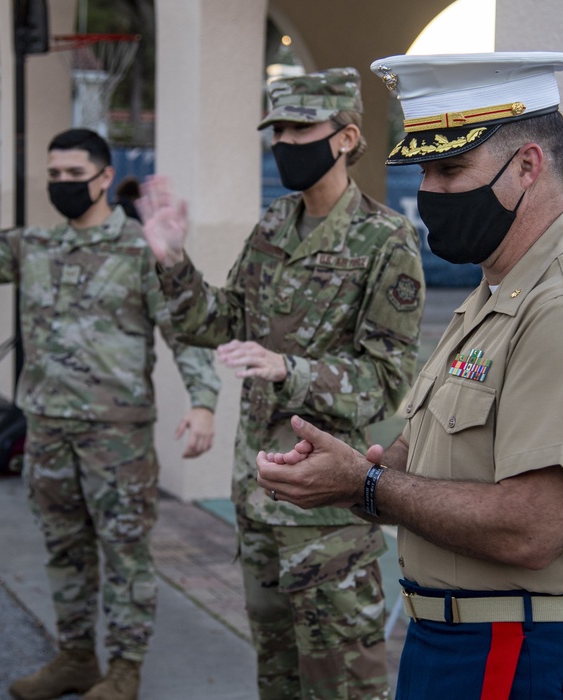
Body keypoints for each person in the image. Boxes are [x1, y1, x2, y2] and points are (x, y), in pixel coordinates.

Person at [256, 52, 563, 698]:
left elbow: (532, 525)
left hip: (515, 653)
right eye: (425, 170)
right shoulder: (495, 292)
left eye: (450, 169)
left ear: (527, 165)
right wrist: (355, 475)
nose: (430, 193)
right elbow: (432, 463)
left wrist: (369, 486)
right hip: (451, 644)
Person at [0, 127, 221, 700]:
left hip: (116, 440)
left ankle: (124, 671)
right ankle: (75, 657)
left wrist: (202, 403)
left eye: (74, 175)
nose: (63, 185)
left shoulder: (142, 247)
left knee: (125, 555)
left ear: (103, 177)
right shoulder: (34, 245)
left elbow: (187, 331)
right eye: (54, 176)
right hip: (47, 433)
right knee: (63, 549)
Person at [138, 68, 424, 700]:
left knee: (342, 686)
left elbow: (387, 381)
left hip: (326, 512)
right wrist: (172, 260)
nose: (285, 143)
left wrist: (287, 368)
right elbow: (214, 322)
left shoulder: (385, 240)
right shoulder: (273, 225)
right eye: (278, 131)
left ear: (347, 137)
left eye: (301, 129)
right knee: (278, 681)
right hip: (259, 493)